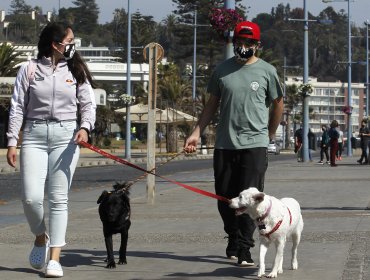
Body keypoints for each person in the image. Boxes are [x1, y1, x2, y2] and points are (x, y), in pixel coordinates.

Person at [183, 21, 284, 267]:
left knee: (251, 199)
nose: (244, 46)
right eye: (240, 41)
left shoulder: (267, 71)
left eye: (249, 42)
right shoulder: (222, 70)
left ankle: (244, 247)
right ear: (234, 42)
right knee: (225, 197)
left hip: (255, 144)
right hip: (225, 144)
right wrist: (196, 131)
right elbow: (211, 105)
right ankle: (233, 235)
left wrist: (269, 134)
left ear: (257, 45)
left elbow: (278, 103)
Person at [6, 22, 96, 277]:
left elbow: (88, 104)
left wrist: (85, 128)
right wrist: (13, 140)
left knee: (59, 200)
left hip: (66, 137)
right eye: (69, 41)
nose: (72, 45)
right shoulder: (29, 69)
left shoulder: (76, 70)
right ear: (55, 44)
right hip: (33, 135)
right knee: (31, 198)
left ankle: (55, 258)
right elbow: (17, 107)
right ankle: (39, 237)